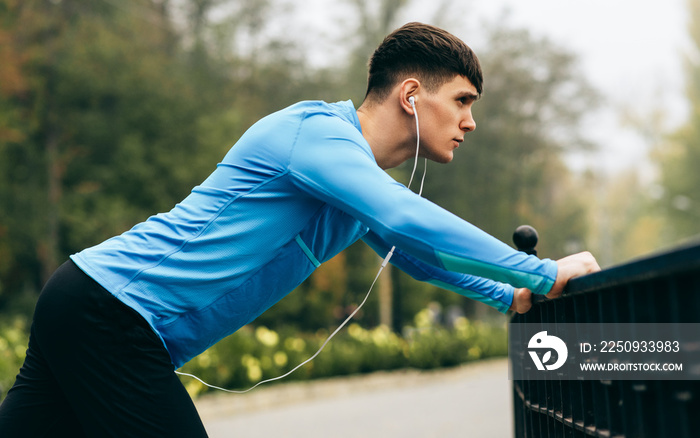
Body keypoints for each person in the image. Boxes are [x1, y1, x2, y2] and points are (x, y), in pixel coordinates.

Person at [0, 22, 600, 437]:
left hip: (90, 305)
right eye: (463, 101)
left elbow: (413, 253)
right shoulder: (317, 135)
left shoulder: (350, 176)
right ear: (412, 95)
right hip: (111, 312)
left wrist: (507, 294)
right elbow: (403, 217)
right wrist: (543, 273)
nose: (471, 122)